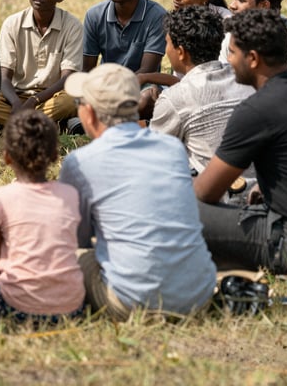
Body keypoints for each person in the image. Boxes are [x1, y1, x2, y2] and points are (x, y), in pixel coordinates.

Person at [58, 64, 216, 320]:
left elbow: (78, 239)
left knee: (75, 258)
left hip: (131, 302)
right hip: (198, 296)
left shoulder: (80, 162)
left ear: (90, 113)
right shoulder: (172, 148)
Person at [195, 9, 287, 275]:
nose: (227, 61)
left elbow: (205, 193)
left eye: (231, 52)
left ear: (252, 58)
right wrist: (271, 189)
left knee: (180, 208)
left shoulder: (256, 110)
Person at [0, 110, 84, 323]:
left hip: (15, 307)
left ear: (7, 156)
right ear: (55, 155)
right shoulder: (71, 195)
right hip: (71, 308)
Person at [149, 7, 254, 176]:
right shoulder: (247, 79)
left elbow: (153, 156)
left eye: (167, 43)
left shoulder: (174, 98)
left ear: (181, 52)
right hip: (261, 189)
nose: (165, 50)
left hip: (213, 195)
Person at [0, 0, 82, 134]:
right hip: (14, 97)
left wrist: (34, 101)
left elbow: (67, 79)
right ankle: (54, 126)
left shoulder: (72, 26)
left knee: (73, 99)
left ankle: (6, 125)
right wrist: (17, 103)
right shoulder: (12, 23)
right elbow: (3, 76)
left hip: (52, 98)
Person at [82, 0, 167, 118]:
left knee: (145, 100)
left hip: (140, 84)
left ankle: (99, 116)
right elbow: (88, 69)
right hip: (104, 85)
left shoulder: (157, 16)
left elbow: (146, 70)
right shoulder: (95, 15)